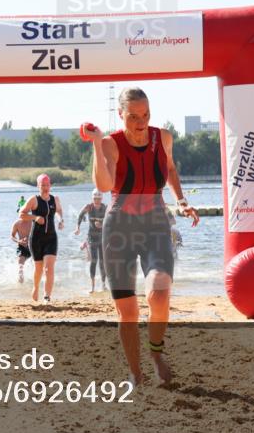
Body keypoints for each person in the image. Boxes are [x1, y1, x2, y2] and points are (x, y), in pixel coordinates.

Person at [83, 87, 200, 386]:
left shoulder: (164, 138)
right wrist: (97, 144)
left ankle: (156, 353)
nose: (141, 122)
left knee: (159, 293)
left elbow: (170, 168)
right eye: (133, 116)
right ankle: (135, 371)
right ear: (121, 115)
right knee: (128, 310)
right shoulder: (112, 143)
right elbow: (106, 182)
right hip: (119, 228)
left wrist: (182, 200)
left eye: (146, 114)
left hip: (156, 224)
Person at [19, 174, 64, 303]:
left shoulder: (55, 199)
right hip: (36, 239)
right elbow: (21, 214)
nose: (45, 188)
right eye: (42, 185)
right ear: (38, 186)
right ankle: (36, 287)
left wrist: (61, 220)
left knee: (48, 268)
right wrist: (35, 218)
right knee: (38, 268)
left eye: (47, 185)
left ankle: (46, 296)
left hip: (51, 238)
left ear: (50, 185)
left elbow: (60, 211)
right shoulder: (34, 200)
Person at [75, 188, 107, 293]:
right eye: (95, 198)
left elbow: (111, 222)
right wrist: (77, 227)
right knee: (94, 261)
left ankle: (103, 285)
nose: (96, 200)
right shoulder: (89, 207)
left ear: (101, 198)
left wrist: (101, 225)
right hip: (92, 238)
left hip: (103, 238)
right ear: (92, 198)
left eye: (98, 198)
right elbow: (80, 215)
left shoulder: (105, 208)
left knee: (103, 262)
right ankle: (92, 287)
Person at [10, 217, 32, 283]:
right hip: (21, 247)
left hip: (33, 247)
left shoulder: (33, 222)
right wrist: (19, 241)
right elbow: (12, 236)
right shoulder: (17, 223)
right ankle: (20, 287)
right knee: (20, 267)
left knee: (38, 266)